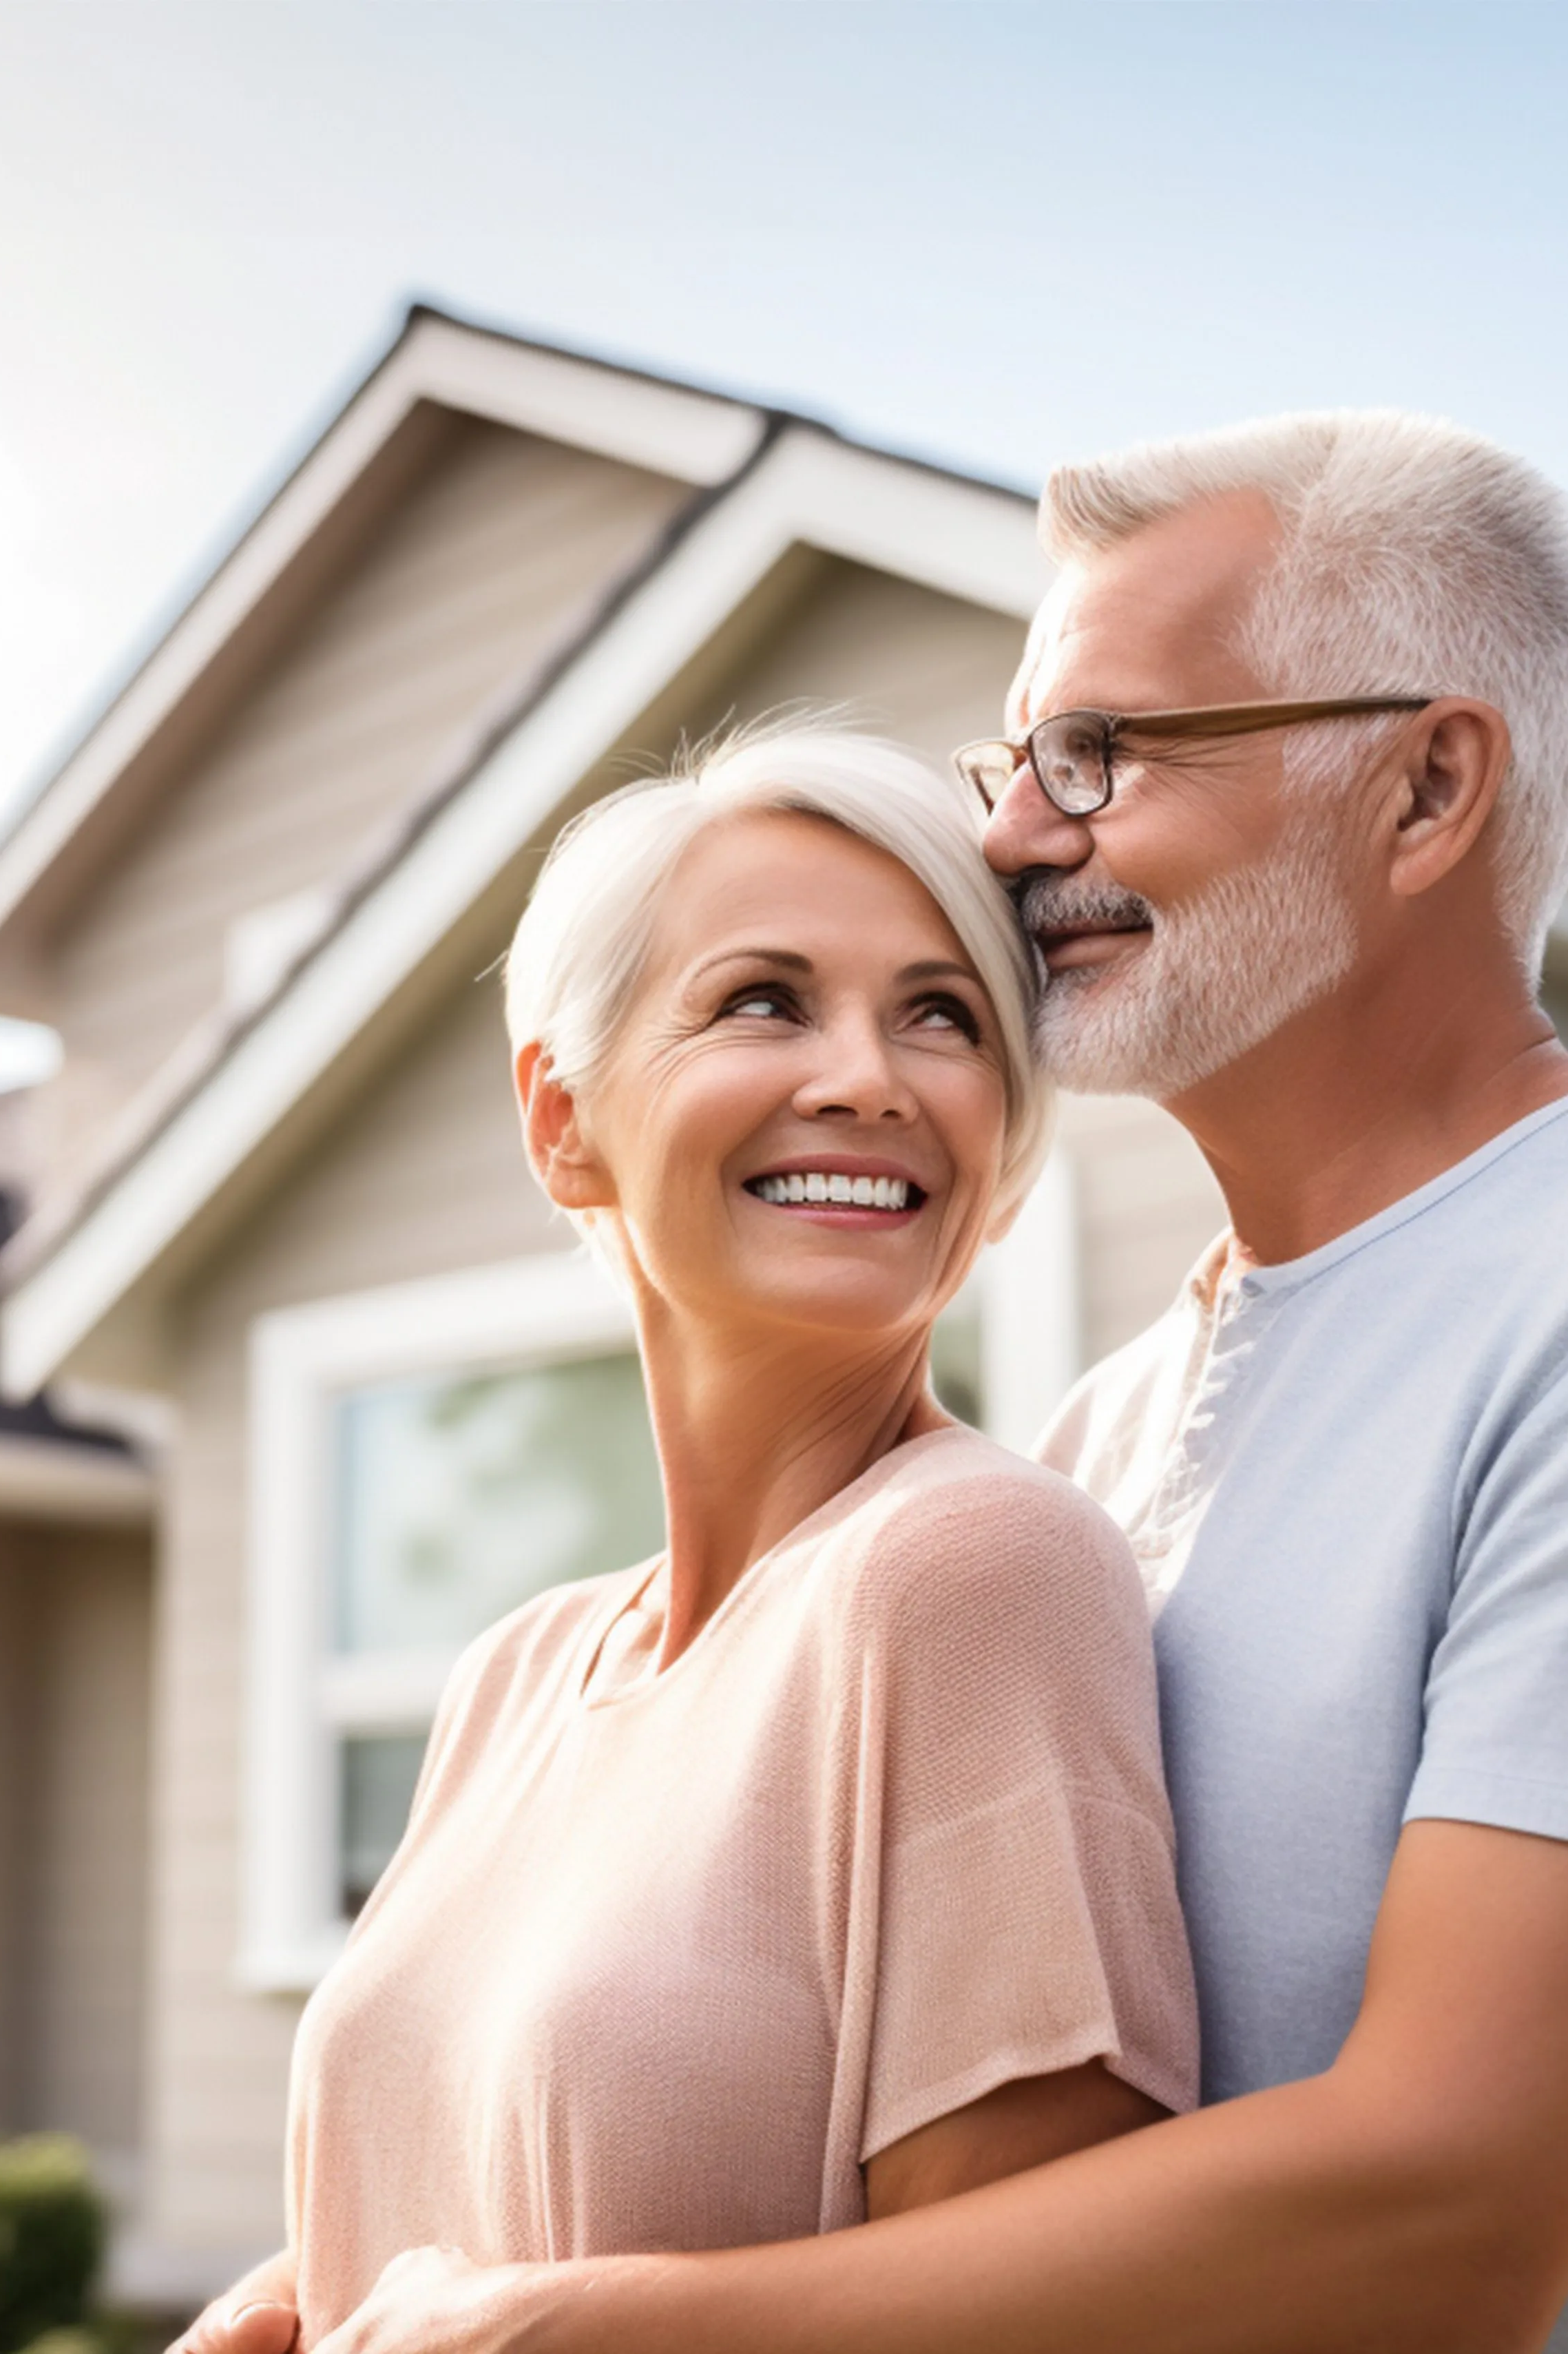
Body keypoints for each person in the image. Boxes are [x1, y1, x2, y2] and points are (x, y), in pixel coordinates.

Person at [231, 412, 1568, 2354]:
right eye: (1017, 762)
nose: (1012, 837)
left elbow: (1450, 2209)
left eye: (1101, 753)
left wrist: (565, 2333)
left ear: (1426, 789)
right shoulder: (1107, 1428)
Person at [241, 728, 1202, 2340]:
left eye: (941, 1017)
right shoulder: (515, 1675)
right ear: (562, 1114)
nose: (865, 1077)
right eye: (764, 998)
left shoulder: (968, 1573)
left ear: (1007, 1153)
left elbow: (1047, 2306)